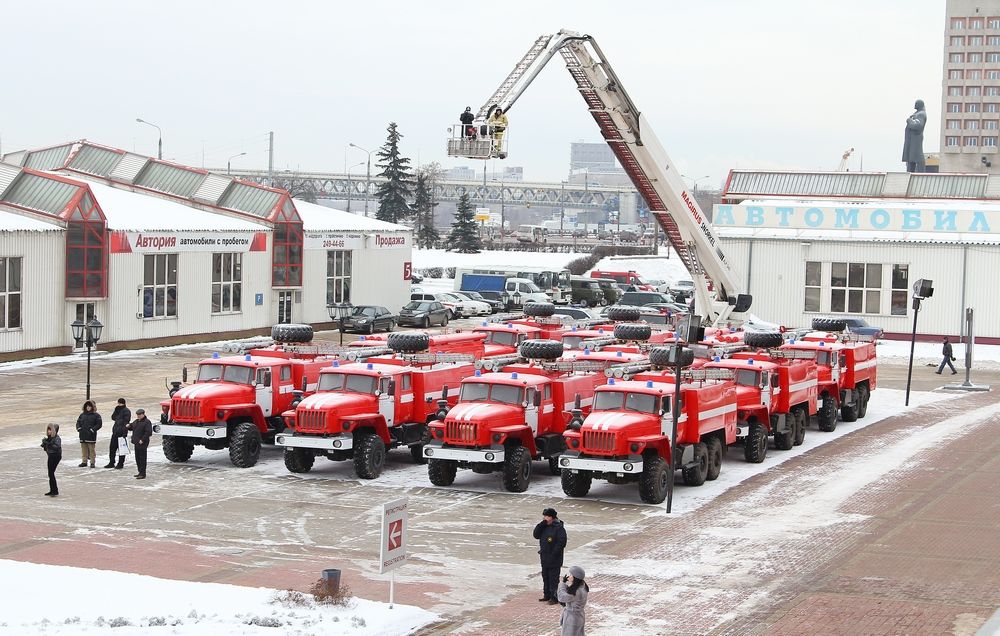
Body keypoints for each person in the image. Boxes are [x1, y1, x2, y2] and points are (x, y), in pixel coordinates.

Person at [533, 507, 567, 604]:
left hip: (554, 558)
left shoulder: (559, 527)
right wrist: (541, 525)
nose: (545, 518)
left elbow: (561, 542)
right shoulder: (544, 526)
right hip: (544, 557)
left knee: (553, 579)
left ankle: (554, 597)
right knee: (545, 577)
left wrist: (553, 554)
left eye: (547, 516)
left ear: (552, 517)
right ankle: (546, 595)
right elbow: (536, 535)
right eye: (544, 516)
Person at [556, 565, 589, 636]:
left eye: (571, 575)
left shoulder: (576, 592)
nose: (569, 576)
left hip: (572, 619)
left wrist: (562, 584)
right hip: (579, 616)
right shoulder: (583, 587)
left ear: (575, 578)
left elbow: (561, 597)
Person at [105, 398, 131, 469]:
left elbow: (126, 422)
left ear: (124, 403)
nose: (119, 404)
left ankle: (120, 463)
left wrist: (124, 433)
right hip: (115, 431)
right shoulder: (117, 409)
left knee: (121, 450)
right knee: (112, 448)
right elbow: (113, 418)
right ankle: (111, 462)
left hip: (121, 433)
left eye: (120, 403)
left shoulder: (127, 411)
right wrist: (116, 410)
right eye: (118, 403)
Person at [75, 400, 102, 468]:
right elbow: (78, 422)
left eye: (89, 407)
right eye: (87, 407)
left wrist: (92, 430)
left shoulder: (96, 415)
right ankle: (84, 461)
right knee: (84, 450)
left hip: (91, 436)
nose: (88, 408)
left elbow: (99, 424)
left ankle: (92, 462)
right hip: (83, 435)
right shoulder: (82, 415)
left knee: (91, 450)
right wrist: (79, 429)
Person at [902, 99, 927, 173]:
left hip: (916, 139)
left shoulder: (921, 114)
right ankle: (910, 173)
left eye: (916, 103)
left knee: (918, 157)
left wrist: (909, 121)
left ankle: (921, 173)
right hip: (912, 139)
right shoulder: (917, 113)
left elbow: (918, 125)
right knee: (911, 158)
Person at [128, 409, 153, 479]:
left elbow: (148, 432)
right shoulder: (136, 421)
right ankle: (139, 472)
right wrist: (129, 426)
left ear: (143, 414)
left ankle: (143, 473)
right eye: (137, 415)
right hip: (136, 442)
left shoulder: (147, 422)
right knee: (137, 458)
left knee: (142, 458)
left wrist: (142, 439)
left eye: (139, 415)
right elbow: (132, 427)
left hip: (142, 443)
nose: (138, 416)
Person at [41, 424, 62, 497]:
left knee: (51, 473)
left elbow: (57, 447)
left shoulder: (57, 438)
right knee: (50, 473)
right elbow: (47, 449)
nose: (49, 431)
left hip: (55, 456)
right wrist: (44, 445)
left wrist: (49, 444)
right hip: (51, 456)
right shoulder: (49, 438)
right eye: (48, 430)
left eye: (50, 430)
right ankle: (53, 490)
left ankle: (54, 490)